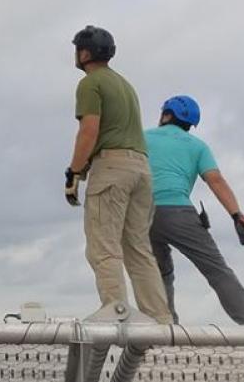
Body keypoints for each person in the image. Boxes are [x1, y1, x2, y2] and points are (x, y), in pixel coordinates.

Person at [66, 25, 171, 324]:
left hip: (112, 170)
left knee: (103, 248)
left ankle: (118, 320)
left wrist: (73, 173)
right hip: (141, 169)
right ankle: (161, 322)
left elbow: (89, 130)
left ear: (85, 53)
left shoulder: (90, 83)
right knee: (139, 250)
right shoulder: (124, 84)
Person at [146, 95, 244, 324]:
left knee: (160, 273)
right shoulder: (197, 146)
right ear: (190, 124)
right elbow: (215, 180)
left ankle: (164, 325)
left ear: (166, 115)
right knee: (216, 270)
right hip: (179, 213)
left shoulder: (142, 137)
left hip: (142, 214)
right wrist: (237, 215)